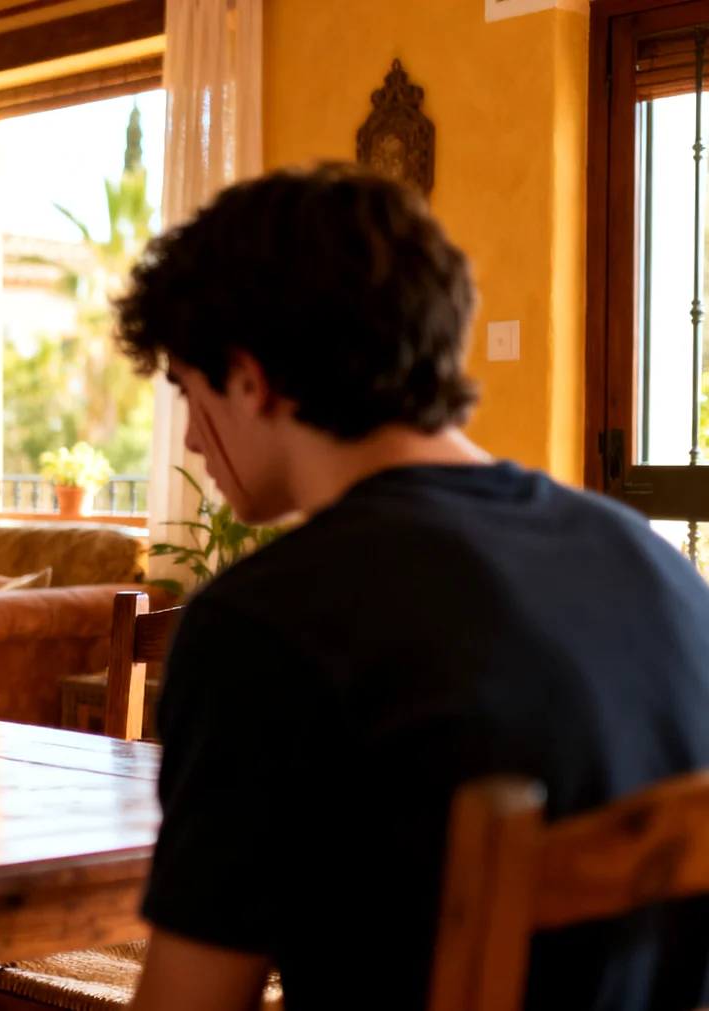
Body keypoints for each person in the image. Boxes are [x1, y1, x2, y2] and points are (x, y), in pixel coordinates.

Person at [117, 164, 709, 1011]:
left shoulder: (264, 625)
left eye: (186, 385)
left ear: (250, 378)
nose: (189, 435)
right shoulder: (651, 561)